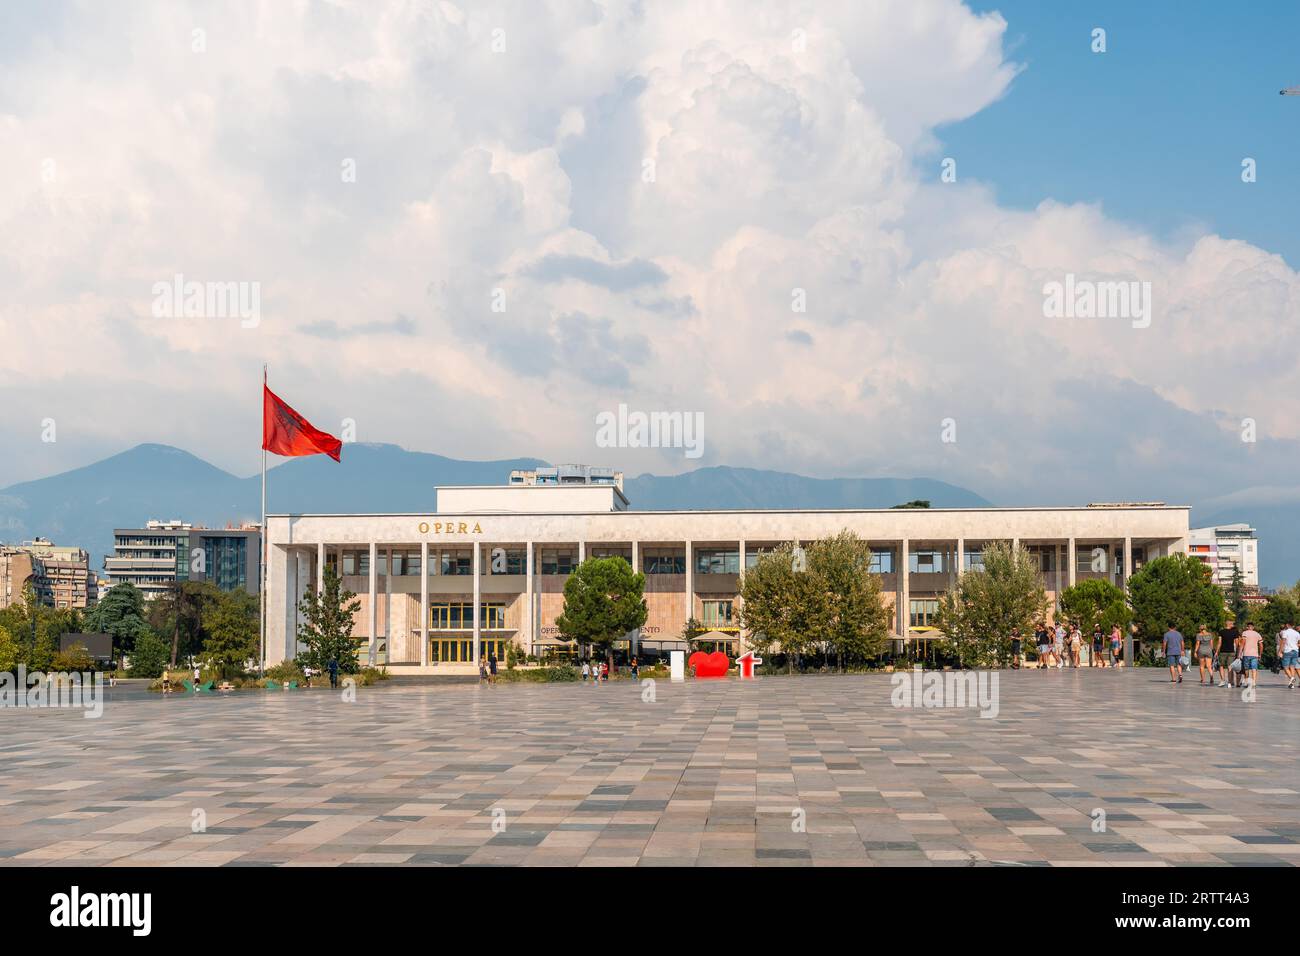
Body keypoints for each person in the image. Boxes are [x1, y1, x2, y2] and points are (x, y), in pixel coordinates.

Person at [1239, 623, 1263, 690]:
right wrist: (1260, 654)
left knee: (1246, 669)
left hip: (1246, 653)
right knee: (1254, 668)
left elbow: (1243, 643)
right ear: (1253, 627)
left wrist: (1240, 652)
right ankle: (1254, 683)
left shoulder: (1245, 633)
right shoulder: (1257, 634)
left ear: (1247, 627)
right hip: (1255, 654)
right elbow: (1261, 645)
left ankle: (1246, 682)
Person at [1217, 620, 1240, 688]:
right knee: (1230, 667)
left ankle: (1222, 680)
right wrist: (1238, 652)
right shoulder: (1235, 632)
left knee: (1221, 666)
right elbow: (1237, 643)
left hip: (1222, 651)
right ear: (1230, 624)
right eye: (1232, 624)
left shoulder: (1221, 631)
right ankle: (1229, 682)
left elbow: (1219, 642)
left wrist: (1216, 652)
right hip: (1231, 651)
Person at [1278, 621, 1299, 689]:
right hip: (1295, 651)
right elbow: (1298, 643)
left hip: (1287, 651)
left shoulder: (1285, 632)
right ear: (1293, 625)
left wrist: (1280, 651)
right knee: (1292, 667)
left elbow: (1283, 642)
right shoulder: (1297, 633)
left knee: (1285, 667)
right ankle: (1291, 684)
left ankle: (1292, 678)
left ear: (1287, 625)